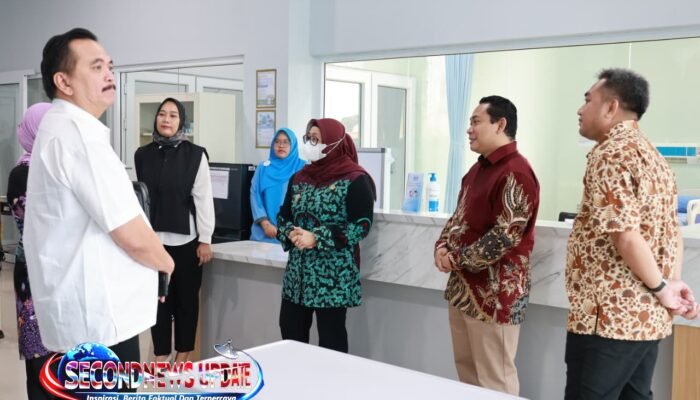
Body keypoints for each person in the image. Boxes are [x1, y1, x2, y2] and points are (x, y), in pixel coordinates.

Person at [23, 28, 174, 369]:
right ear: (64, 81)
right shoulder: (78, 136)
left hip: (83, 316)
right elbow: (130, 233)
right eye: (95, 67)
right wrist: (166, 263)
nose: (109, 74)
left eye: (109, 65)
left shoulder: (61, 128)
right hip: (99, 323)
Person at [564, 68, 699, 399]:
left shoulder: (610, 154)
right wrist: (671, 282)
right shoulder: (653, 156)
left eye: (588, 100)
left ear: (611, 107)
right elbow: (671, 231)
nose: (580, 109)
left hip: (609, 319)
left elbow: (625, 235)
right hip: (644, 319)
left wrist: (663, 288)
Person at [434, 95, 540, 395]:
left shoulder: (516, 171)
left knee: (496, 380)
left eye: (476, 121)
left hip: (495, 297)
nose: (469, 129)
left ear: (500, 124)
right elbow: (459, 217)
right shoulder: (477, 170)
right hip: (463, 291)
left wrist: (455, 258)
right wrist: (441, 246)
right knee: (468, 377)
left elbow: (505, 236)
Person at [277, 118, 375, 353]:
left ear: (334, 143)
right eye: (308, 138)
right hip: (298, 277)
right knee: (290, 335)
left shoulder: (355, 179)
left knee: (331, 343)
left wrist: (317, 237)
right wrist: (291, 233)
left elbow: (361, 225)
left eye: (316, 139)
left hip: (332, 278)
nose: (310, 144)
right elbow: (283, 216)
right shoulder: (299, 178)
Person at [134, 97, 215, 364]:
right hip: (153, 242)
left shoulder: (195, 155)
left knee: (186, 303)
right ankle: (160, 356)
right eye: (162, 114)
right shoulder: (142, 154)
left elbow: (204, 199)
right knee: (158, 302)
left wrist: (205, 239)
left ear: (182, 122)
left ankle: (182, 357)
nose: (166, 119)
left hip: (187, 241)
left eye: (173, 115)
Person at [7, 103, 53, 400]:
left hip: (61, 273)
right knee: (40, 361)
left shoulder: (58, 168)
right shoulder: (23, 174)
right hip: (36, 276)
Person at [250, 128, 305, 243]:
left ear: (293, 145)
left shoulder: (302, 167)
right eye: (277, 141)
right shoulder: (263, 168)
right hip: (265, 233)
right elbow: (255, 195)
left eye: (286, 142)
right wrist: (265, 224)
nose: (281, 146)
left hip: (294, 235)